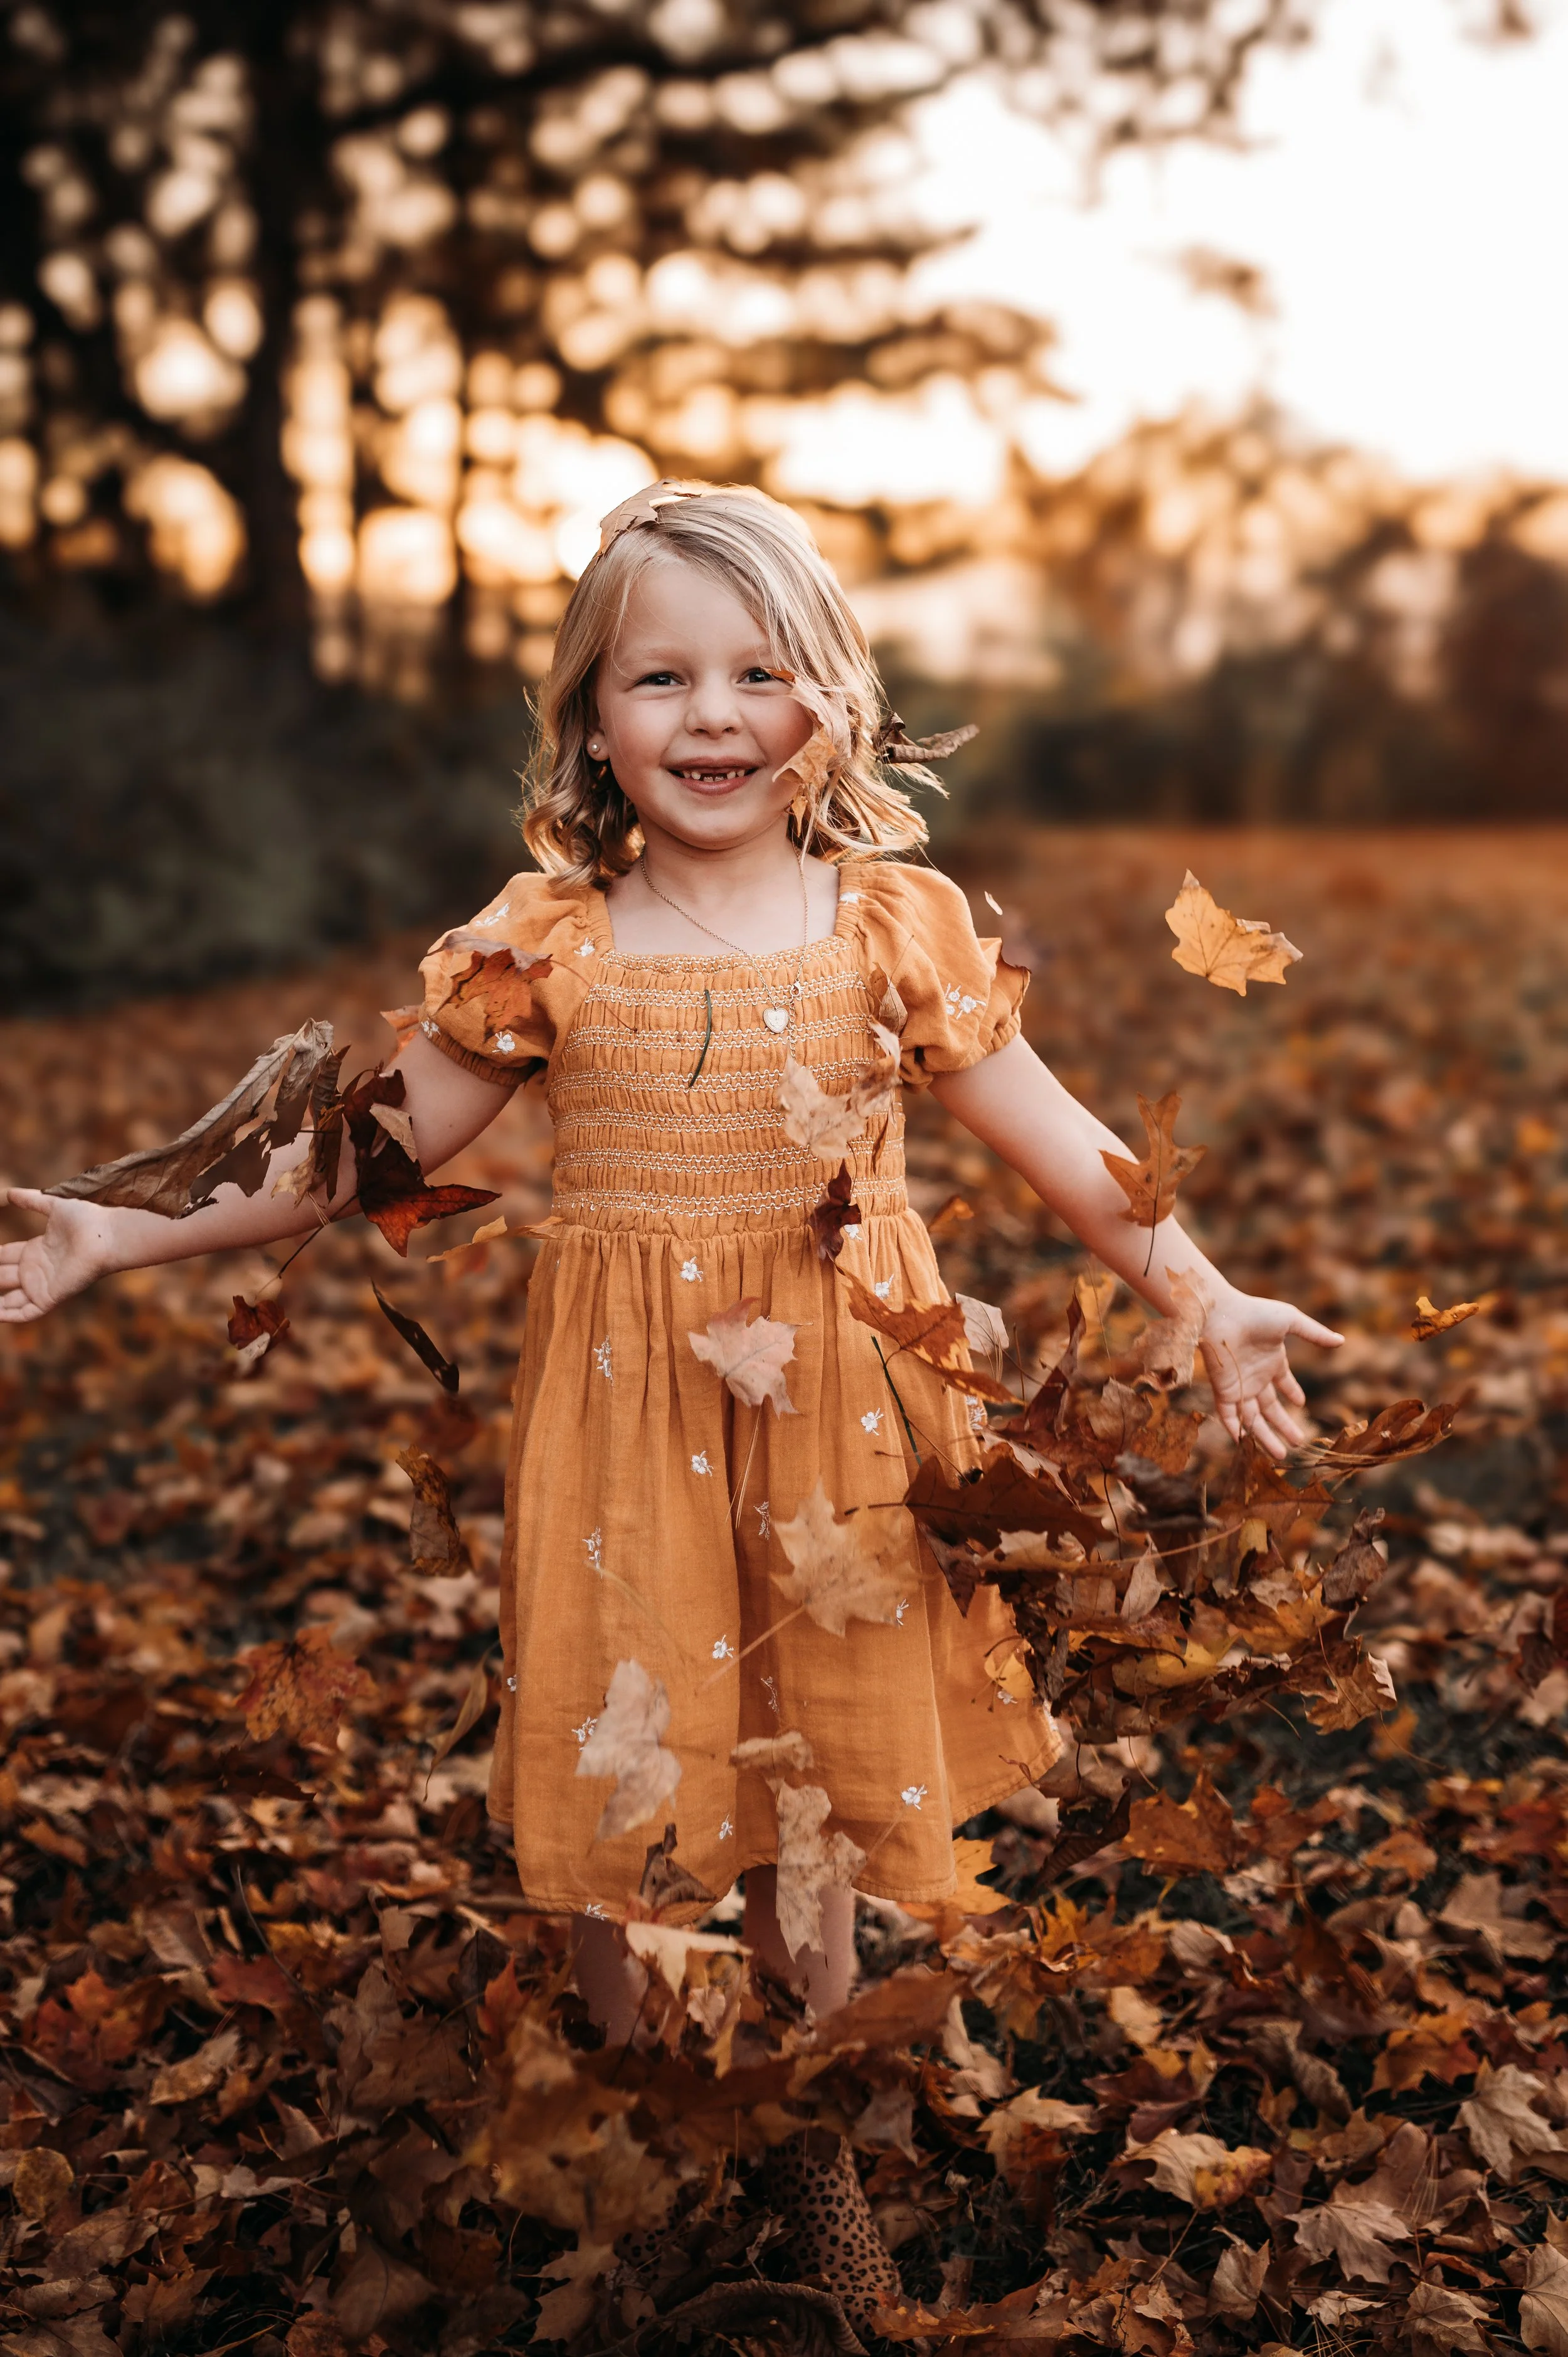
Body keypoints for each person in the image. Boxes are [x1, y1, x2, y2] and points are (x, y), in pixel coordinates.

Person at [0, 481, 1340, 2320]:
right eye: (658, 678)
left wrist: (1200, 1295)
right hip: (624, 1416)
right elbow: (355, 1163)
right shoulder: (548, 942)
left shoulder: (891, 924)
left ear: (827, 701)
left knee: (810, 1759)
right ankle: (627, 2096)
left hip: (843, 1414)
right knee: (618, 1735)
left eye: (754, 671)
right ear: (589, 720)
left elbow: (1062, 1145)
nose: (710, 714)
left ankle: (803, 2120)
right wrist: (104, 1229)